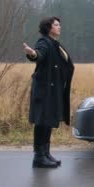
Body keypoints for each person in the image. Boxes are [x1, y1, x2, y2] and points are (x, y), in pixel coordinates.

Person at [23, 16, 74, 168]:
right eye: (56, 25)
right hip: (45, 89)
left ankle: (45, 153)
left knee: (48, 121)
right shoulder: (44, 42)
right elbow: (39, 54)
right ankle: (38, 157)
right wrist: (32, 54)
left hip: (52, 89)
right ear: (49, 27)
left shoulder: (54, 43)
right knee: (41, 122)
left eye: (59, 25)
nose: (59, 27)